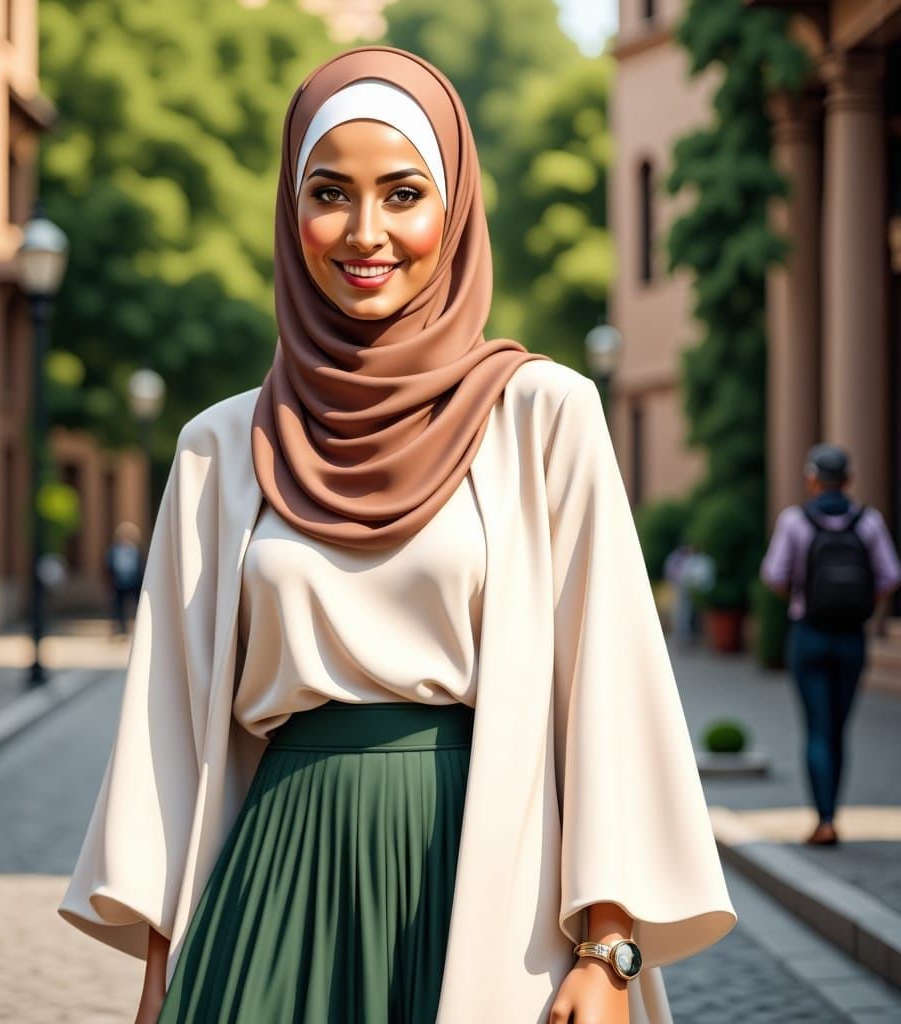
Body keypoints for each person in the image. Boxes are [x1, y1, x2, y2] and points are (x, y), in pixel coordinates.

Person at [58, 47, 736, 1024]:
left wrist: (607, 951)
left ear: (453, 207)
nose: (364, 232)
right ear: (291, 218)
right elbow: (171, 728)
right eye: (328, 192)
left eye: (403, 193)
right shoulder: (220, 446)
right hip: (273, 889)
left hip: (489, 884)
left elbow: (608, 690)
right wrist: (162, 967)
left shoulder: (543, 413)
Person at [760, 443, 901, 846]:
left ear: (812, 479)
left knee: (817, 728)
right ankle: (833, 811)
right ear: (849, 479)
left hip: (808, 633)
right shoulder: (868, 522)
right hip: (851, 637)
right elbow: (889, 577)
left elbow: (773, 574)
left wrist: (803, 595)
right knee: (839, 727)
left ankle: (824, 820)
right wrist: (859, 606)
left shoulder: (795, 522)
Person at [104, 522, 143, 636]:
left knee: (138, 606)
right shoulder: (113, 551)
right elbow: (108, 568)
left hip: (133, 583)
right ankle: (121, 629)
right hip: (118, 583)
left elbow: (140, 566)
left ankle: (139, 628)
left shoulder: (136, 551)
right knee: (118, 608)